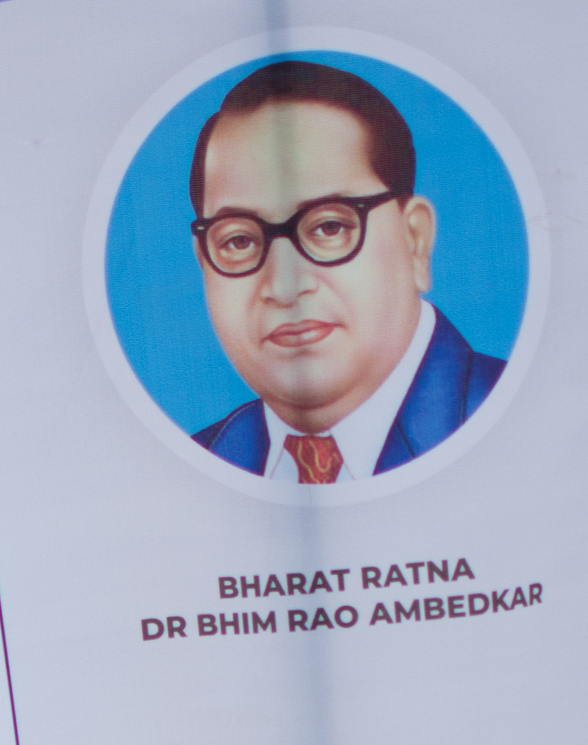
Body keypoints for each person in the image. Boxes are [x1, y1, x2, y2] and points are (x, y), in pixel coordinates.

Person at [186, 61, 503, 483]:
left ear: (415, 240)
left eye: (329, 227)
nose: (283, 286)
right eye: (239, 241)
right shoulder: (187, 469)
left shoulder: (518, 420)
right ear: (203, 260)